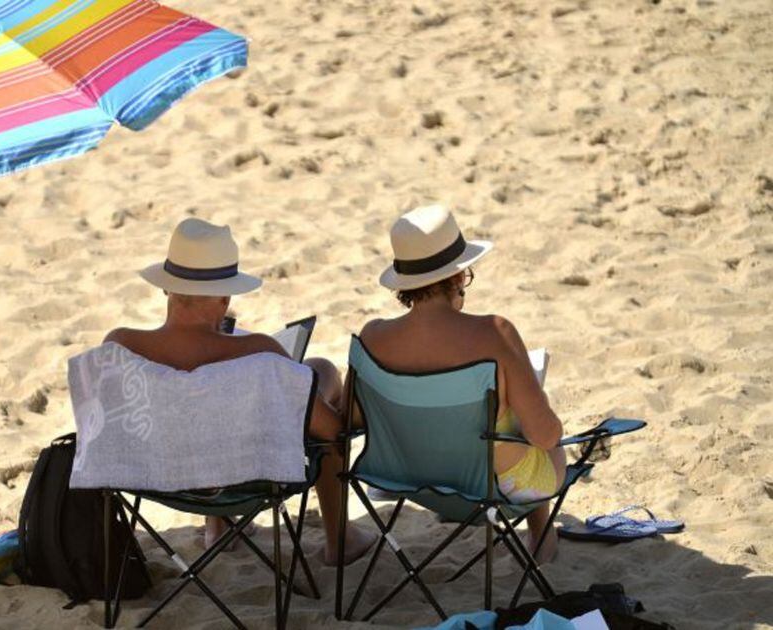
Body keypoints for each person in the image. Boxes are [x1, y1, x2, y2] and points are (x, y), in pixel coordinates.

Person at [104, 217, 376, 566]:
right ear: (223, 298)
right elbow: (331, 432)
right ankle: (341, 539)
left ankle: (216, 528)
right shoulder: (260, 351)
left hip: (157, 478)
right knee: (321, 370)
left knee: (203, 403)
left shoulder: (119, 346)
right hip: (243, 478)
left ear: (167, 289)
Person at [351, 204, 565, 563]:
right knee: (533, 430)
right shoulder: (494, 334)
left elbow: (355, 419)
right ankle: (542, 539)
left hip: (405, 479)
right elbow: (546, 435)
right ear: (460, 276)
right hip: (488, 485)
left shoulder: (372, 338)